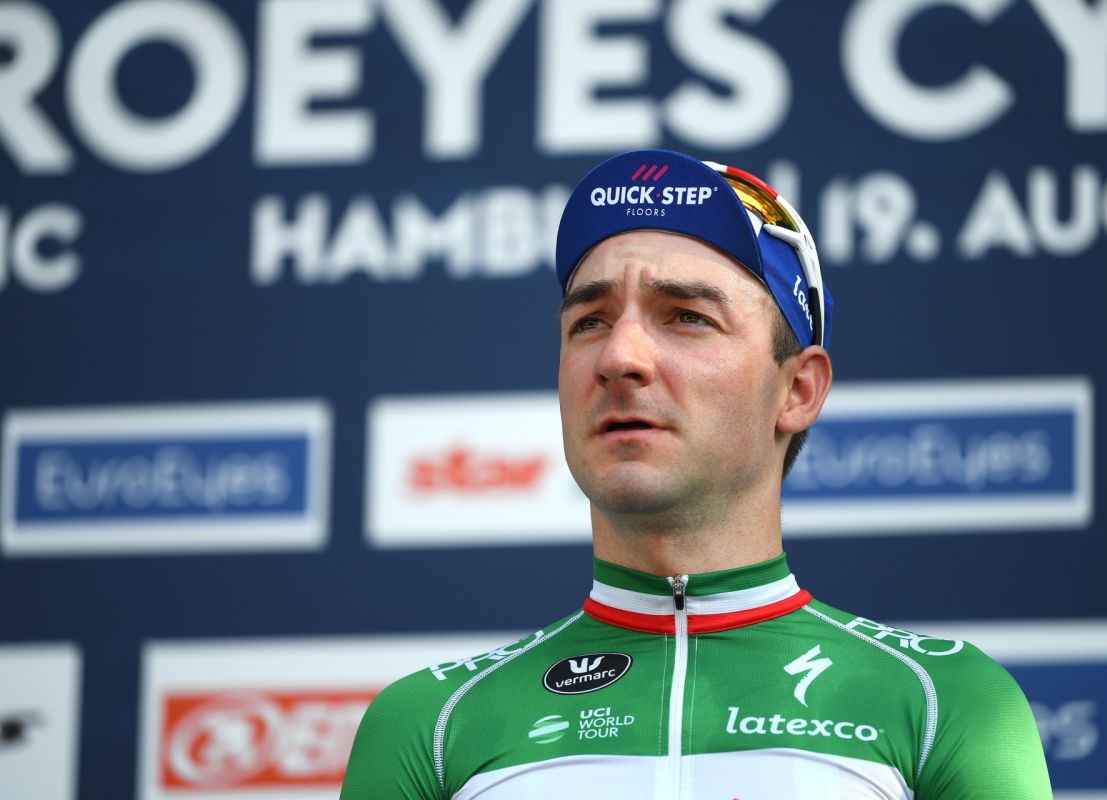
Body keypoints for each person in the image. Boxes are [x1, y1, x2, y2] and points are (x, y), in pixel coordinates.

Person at [340, 150, 1052, 798]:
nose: (620, 357)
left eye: (684, 316)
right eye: (589, 321)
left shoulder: (945, 704)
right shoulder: (429, 728)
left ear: (797, 390)